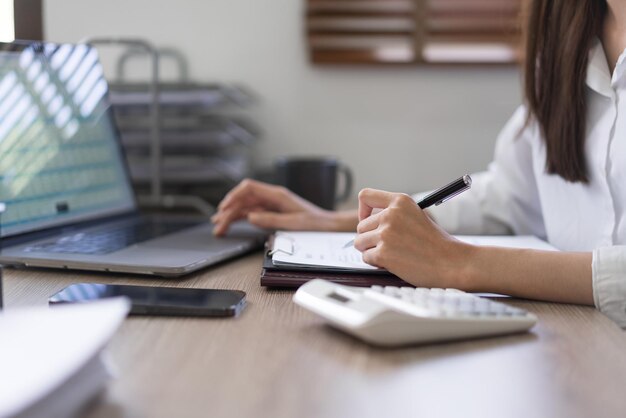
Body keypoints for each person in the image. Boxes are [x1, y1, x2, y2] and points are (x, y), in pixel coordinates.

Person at [211, 0, 626, 327]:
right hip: (578, 344)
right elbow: (508, 197)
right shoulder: (565, 48)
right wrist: (336, 222)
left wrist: (460, 263)